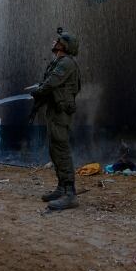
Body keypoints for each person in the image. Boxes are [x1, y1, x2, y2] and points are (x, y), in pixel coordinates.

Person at [31, 29, 82, 210]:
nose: (54, 42)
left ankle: (70, 194)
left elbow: (51, 83)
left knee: (61, 149)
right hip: (55, 110)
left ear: (64, 45)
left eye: (58, 40)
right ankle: (62, 188)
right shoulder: (59, 62)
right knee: (54, 150)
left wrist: (37, 90)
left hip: (61, 112)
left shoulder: (66, 63)